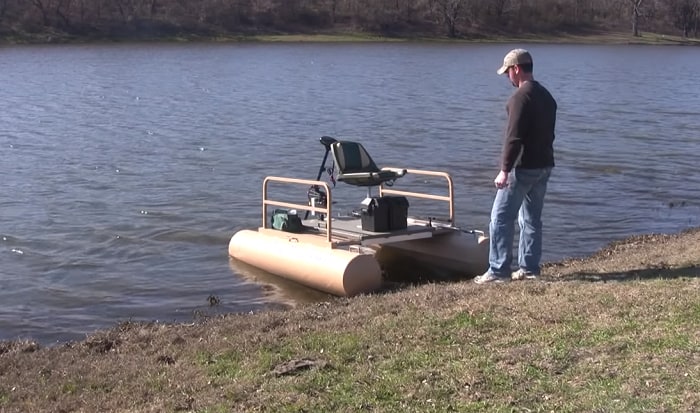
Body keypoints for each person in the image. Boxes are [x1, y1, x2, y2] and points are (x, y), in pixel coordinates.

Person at [474, 48, 557, 284]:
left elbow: (514, 138)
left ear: (516, 69)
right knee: (531, 220)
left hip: (522, 169)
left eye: (507, 72)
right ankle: (529, 269)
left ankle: (499, 271)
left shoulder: (519, 98)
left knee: (500, 218)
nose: (507, 77)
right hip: (544, 166)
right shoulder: (546, 95)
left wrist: (504, 170)